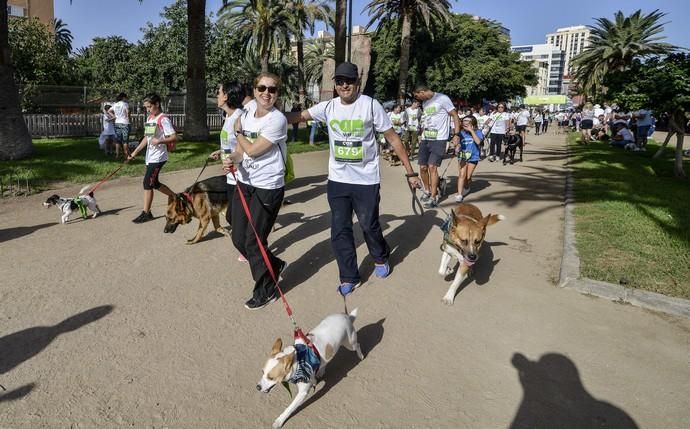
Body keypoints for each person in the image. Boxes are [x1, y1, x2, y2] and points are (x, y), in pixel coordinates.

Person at [286, 62, 421, 296]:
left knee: (369, 225)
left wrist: (410, 172)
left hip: (366, 180)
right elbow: (296, 117)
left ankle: (380, 256)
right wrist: (263, 114)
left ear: (357, 83)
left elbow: (393, 138)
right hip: (338, 180)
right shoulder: (328, 107)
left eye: (348, 81)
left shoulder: (370, 106)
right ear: (335, 84)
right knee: (340, 229)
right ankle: (349, 275)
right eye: (339, 81)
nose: (344, 85)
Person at [222, 72, 289, 310]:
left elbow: (252, 150)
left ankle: (266, 287)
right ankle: (274, 264)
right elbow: (242, 153)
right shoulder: (247, 114)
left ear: (277, 94)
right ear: (255, 89)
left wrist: (239, 134)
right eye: (262, 88)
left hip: (267, 187)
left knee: (254, 241)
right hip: (245, 181)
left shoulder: (276, 119)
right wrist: (232, 159)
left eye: (272, 90)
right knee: (238, 237)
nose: (266, 93)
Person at [127, 93, 176, 223]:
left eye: (149, 107)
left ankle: (146, 213)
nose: (148, 109)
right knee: (154, 183)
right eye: (146, 107)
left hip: (159, 157)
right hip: (150, 157)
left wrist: (159, 141)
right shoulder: (150, 118)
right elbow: (147, 139)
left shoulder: (163, 119)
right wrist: (135, 152)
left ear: (157, 104)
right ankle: (175, 197)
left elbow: (173, 136)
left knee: (147, 183)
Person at [207, 81, 246, 240]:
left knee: (234, 216)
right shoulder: (229, 117)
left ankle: (250, 246)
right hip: (230, 175)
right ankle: (248, 244)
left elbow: (244, 147)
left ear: (226, 96)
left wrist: (232, 158)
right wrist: (221, 151)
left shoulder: (239, 118)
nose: (217, 95)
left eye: (219, 92)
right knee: (232, 216)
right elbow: (232, 144)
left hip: (241, 175)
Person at [412, 82, 461, 208]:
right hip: (425, 138)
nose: (417, 99)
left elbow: (455, 115)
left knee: (432, 166)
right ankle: (427, 190)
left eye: (418, 96)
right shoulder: (425, 103)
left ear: (422, 92)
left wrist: (456, 134)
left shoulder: (442, 99)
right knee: (423, 167)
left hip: (439, 139)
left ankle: (434, 197)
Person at [455, 115, 483, 203]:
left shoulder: (478, 132)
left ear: (472, 122)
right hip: (463, 156)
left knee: (467, 177)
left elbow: (478, 142)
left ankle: (466, 187)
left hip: (473, 157)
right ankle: (459, 194)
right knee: (461, 175)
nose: (465, 122)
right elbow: (456, 142)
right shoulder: (460, 132)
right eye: (464, 120)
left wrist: (471, 130)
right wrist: (457, 146)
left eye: (467, 120)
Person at [109, 92, 131, 159]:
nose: (126, 99)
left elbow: (109, 111)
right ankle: (126, 155)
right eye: (125, 97)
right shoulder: (125, 104)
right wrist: (129, 119)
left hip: (117, 123)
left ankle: (117, 155)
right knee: (125, 140)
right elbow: (128, 112)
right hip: (125, 123)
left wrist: (114, 116)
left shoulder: (115, 104)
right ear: (123, 97)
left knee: (118, 140)